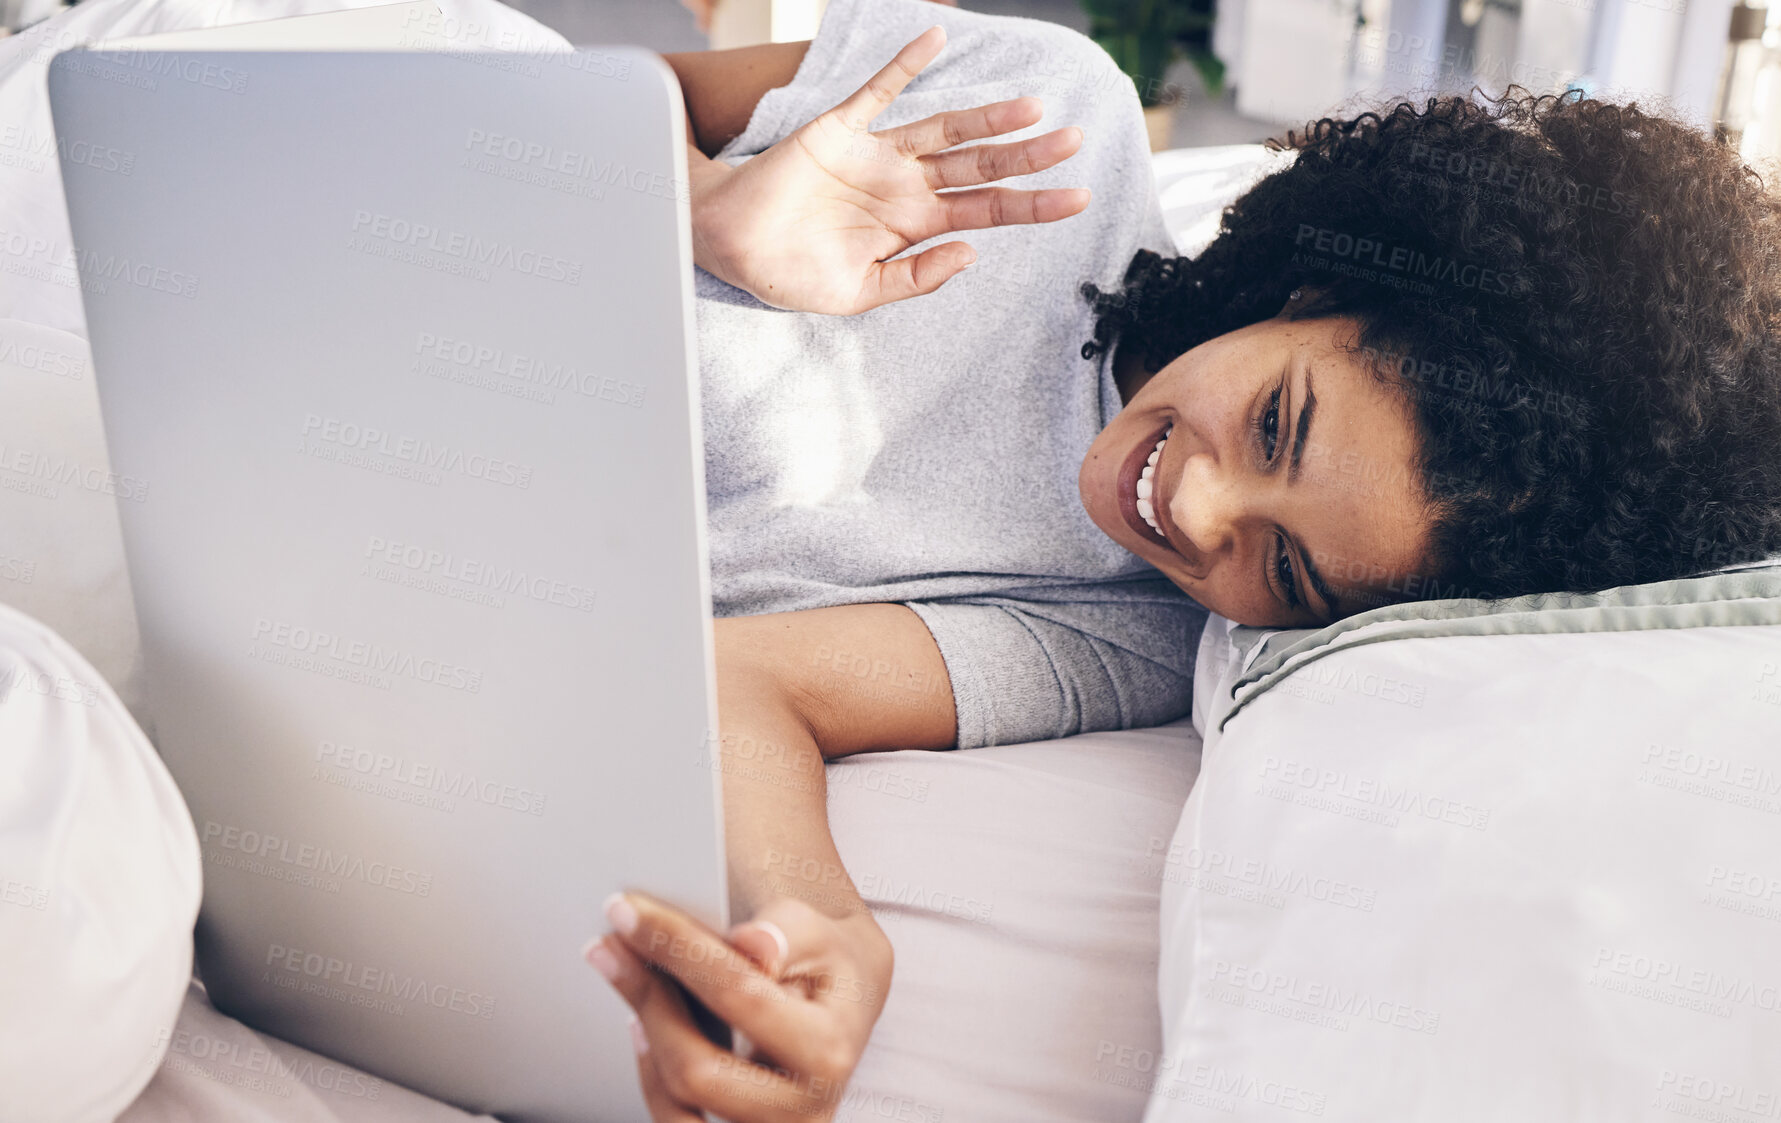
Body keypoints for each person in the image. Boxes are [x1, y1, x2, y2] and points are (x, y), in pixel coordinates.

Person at [584, 0, 1781, 1118]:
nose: (1197, 511)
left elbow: (745, 679)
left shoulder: (1126, 631)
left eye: (1290, 570)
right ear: (1317, 286)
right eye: (1276, 423)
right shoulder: (1046, 120)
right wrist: (686, 202)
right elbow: (556, 95)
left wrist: (821, 922)